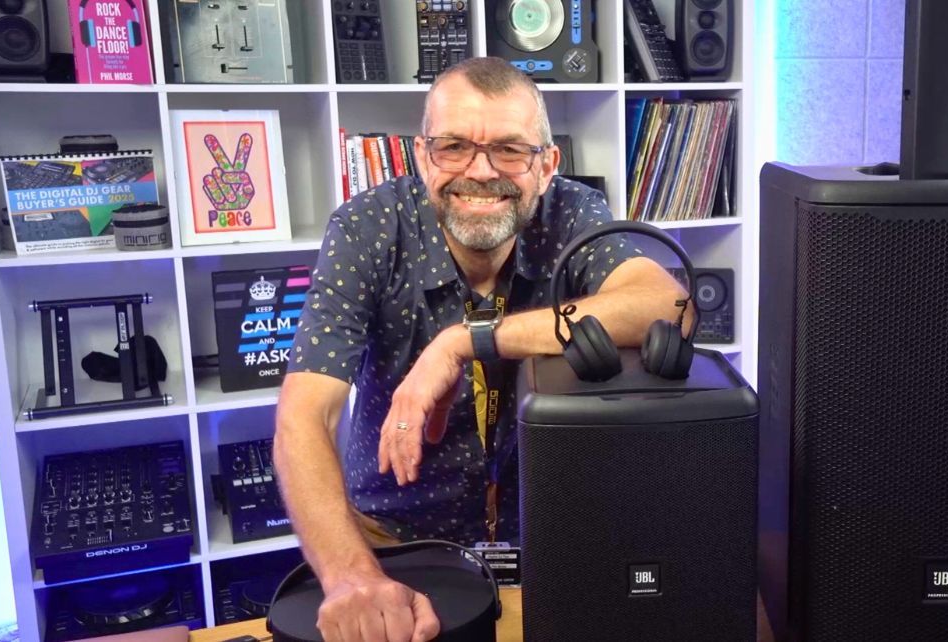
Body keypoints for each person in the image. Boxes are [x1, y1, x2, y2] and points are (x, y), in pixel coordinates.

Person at [273, 57, 692, 642]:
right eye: (453, 147)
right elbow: (303, 416)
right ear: (422, 157)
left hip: (550, 539)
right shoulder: (367, 229)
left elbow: (667, 305)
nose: (481, 171)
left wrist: (463, 343)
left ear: (547, 166)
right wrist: (350, 578)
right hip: (395, 546)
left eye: (511, 151)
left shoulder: (572, 212)